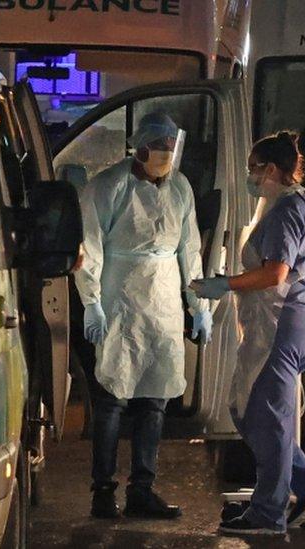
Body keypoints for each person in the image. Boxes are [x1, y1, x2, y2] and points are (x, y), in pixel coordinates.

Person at [192, 131, 305, 536]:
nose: (250, 176)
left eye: (253, 169)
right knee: (253, 414)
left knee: (265, 420)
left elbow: (275, 273)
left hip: (281, 327)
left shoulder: (283, 213)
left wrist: (224, 284)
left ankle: (269, 515)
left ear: (273, 170)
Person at [76, 112, 213, 520]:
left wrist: (198, 305)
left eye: (172, 147)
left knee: (156, 397)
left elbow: (189, 249)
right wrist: (92, 300)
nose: (167, 154)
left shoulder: (180, 188)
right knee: (113, 397)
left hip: (165, 298)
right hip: (120, 295)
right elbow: (91, 245)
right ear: (141, 147)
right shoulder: (109, 186)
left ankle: (142, 489)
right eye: (161, 147)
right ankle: (103, 490)